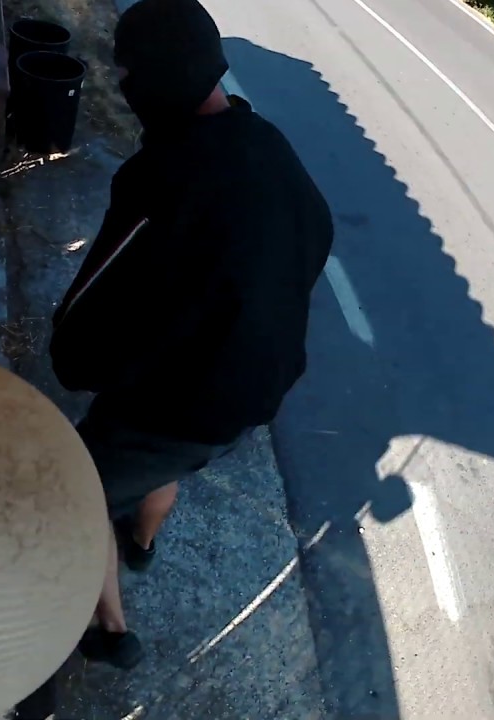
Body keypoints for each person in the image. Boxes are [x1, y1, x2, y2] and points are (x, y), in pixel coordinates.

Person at [48, 0, 335, 672]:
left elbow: (90, 307)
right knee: (170, 462)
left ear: (146, 82)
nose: (121, 82)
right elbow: (316, 231)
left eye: (126, 71)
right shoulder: (266, 140)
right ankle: (141, 542)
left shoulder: (163, 176)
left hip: (182, 400)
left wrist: (78, 359)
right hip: (256, 389)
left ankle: (105, 628)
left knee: (72, 491)